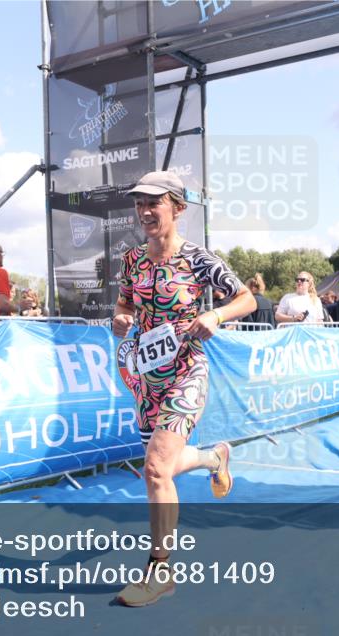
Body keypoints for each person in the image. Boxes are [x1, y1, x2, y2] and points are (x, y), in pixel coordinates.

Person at [111, 171, 255, 607]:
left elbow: (246, 298)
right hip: (146, 374)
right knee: (163, 468)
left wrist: (216, 316)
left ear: (177, 207)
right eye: (139, 204)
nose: (145, 211)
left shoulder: (198, 259)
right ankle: (214, 457)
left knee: (155, 468)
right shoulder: (132, 259)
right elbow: (124, 303)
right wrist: (119, 319)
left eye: (154, 203)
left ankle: (160, 571)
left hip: (187, 370)